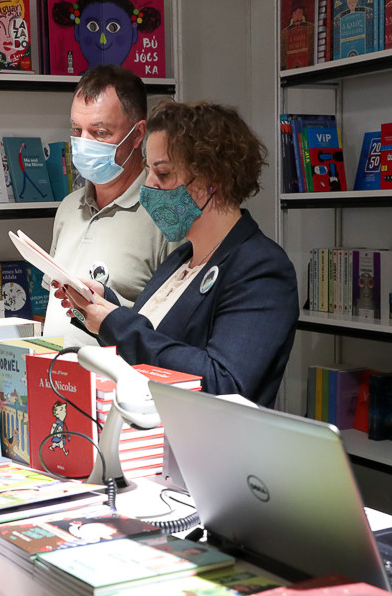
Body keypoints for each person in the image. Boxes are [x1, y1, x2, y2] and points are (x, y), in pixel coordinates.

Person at [57, 101, 300, 408]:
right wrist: (103, 306)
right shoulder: (182, 258)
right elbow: (156, 338)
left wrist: (115, 323)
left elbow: (224, 383)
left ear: (213, 180)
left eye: (163, 173)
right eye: (149, 170)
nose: (148, 186)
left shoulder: (261, 268)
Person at [44, 64, 174, 346]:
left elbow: (178, 328)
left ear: (138, 134)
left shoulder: (168, 213)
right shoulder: (68, 207)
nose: (83, 143)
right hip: (56, 370)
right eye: (76, 130)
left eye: (100, 132)